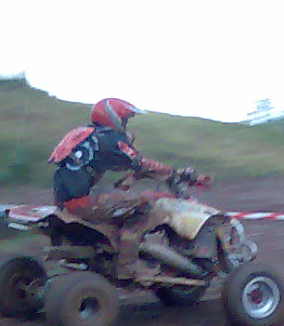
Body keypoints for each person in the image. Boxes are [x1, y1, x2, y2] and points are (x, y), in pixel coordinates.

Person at [49, 97, 199, 274]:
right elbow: (141, 163)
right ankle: (128, 265)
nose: (126, 124)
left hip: (64, 200)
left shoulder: (83, 134)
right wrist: (174, 172)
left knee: (119, 199)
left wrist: (132, 178)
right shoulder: (109, 138)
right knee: (144, 205)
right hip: (81, 203)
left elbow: (117, 166)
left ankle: (110, 250)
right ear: (114, 117)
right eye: (125, 120)